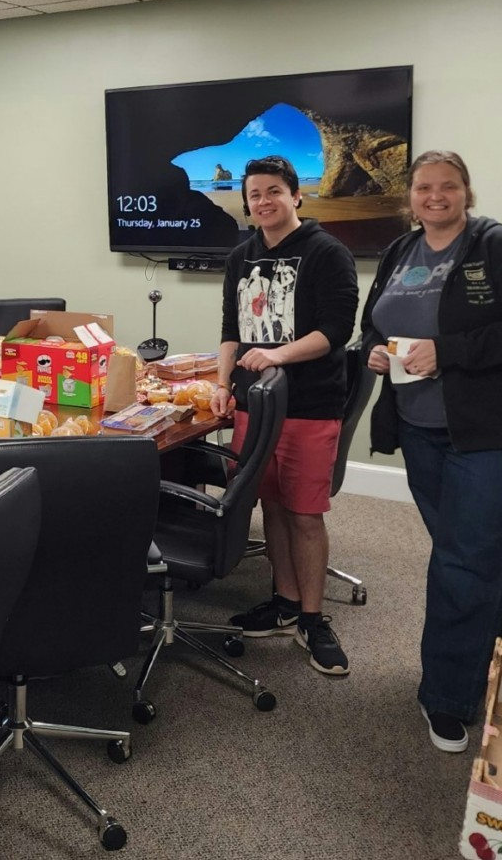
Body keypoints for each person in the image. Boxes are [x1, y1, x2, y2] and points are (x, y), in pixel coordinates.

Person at [359, 151, 502, 753]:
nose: (435, 197)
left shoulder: (500, 249)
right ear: (410, 197)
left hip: (489, 435)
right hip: (419, 431)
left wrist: (447, 351)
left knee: (462, 561)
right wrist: (375, 350)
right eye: (424, 188)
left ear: (466, 191)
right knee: (478, 555)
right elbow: (373, 323)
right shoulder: (401, 253)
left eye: (447, 187)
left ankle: (449, 698)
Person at [211, 156, 359, 676]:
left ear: (296, 196)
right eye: (254, 194)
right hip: (254, 405)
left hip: (309, 406)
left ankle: (314, 619)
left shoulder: (327, 253)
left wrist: (277, 353)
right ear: (247, 203)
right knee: (270, 506)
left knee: (303, 513)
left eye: (274, 191)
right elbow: (232, 328)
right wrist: (222, 382)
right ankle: (286, 601)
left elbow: (336, 330)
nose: (264, 201)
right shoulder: (241, 257)